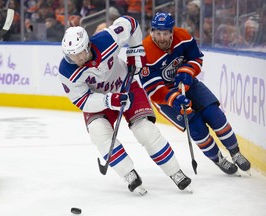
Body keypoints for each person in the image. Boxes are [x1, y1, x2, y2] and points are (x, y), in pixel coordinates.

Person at [58, 15, 192, 195]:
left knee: (145, 130)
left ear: (87, 46)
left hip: (125, 85)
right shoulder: (66, 71)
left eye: (79, 53)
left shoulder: (107, 39)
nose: (76, 58)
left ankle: (175, 172)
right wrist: (108, 100)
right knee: (99, 133)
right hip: (99, 102)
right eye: (71, 55)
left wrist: (136, 49)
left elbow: (130, 23)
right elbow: (82, 101)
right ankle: (129, 174)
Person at [140, 12, 251, 175]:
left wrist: (187, 71)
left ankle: (235, 152)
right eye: (157, 33)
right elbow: (152, 89)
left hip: (189, 84)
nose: (161, 38)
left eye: (165, 33)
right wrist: (174, 99)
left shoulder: (183, 36)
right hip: (166, 96)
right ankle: (218, 159)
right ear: (152, 31)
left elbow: (196, 58)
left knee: (215, 115)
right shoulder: (145, 52)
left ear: (172, 32)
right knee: (197, 127)